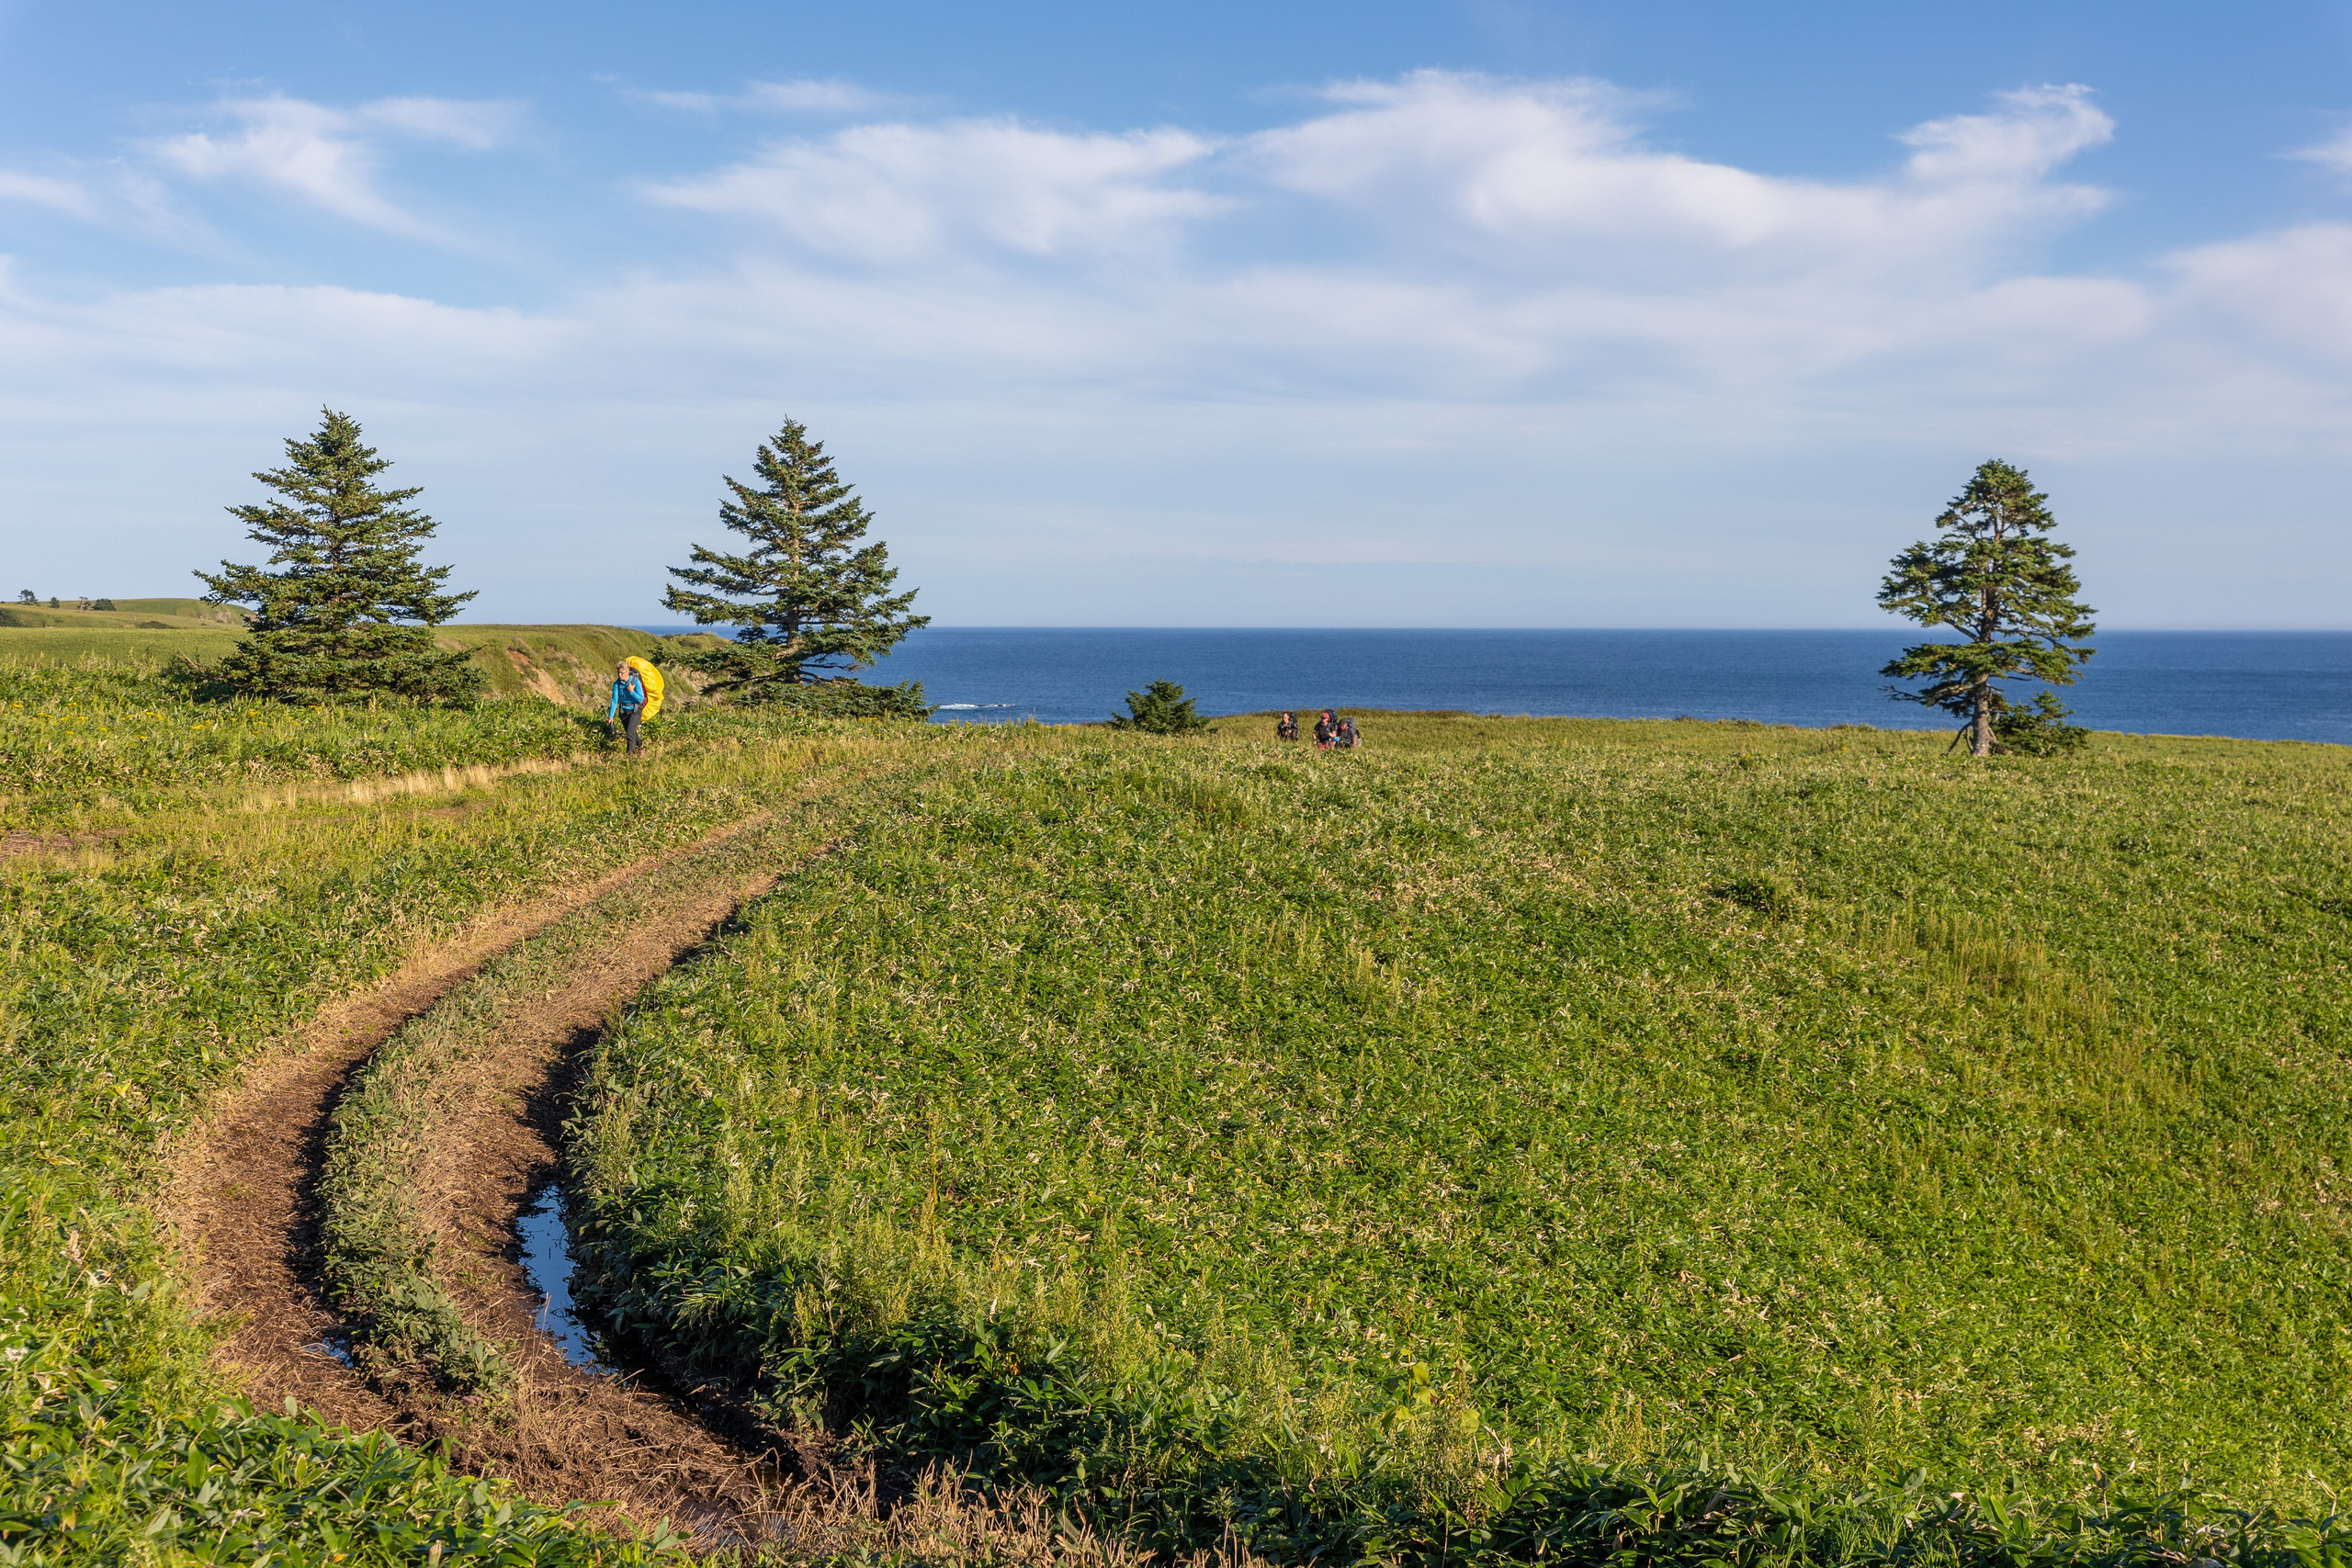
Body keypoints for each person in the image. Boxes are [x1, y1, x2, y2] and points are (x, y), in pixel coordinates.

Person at [608, 660, 647, 756]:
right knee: (631, 733)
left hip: (635, 710)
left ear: (628, 672)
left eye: (622, 673)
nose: (620, 675)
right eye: (618, 672)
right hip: (624, 711)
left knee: (630, 733)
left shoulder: (635, 682)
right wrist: (611, 716)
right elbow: (614, 700)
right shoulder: (617, 684)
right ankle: (641, 746)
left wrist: (631, 691)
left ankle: (630, 755)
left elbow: (640, 699)